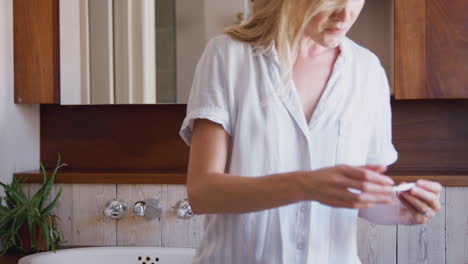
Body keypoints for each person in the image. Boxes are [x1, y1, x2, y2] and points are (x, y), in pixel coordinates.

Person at [179, 0, 443, 263]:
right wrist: (305, 185)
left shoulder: (367, 70)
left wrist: (403, 208)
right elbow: (203, 192)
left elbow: (362, 196)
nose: (345, 14)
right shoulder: (228, 57)